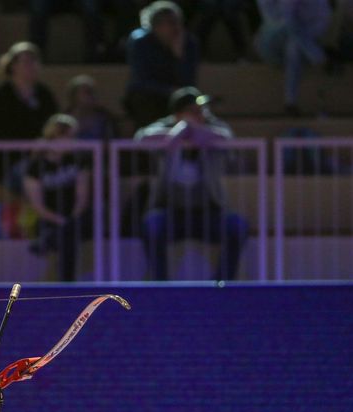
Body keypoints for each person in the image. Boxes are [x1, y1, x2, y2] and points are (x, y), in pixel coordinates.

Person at [135, 86, 249, 281]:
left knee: (237, 226)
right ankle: (161, 286)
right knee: (152, 225)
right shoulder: (168, 126)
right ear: (178, 113)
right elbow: (141, 138)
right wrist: (179, 130)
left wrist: (189, 130)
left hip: (208, 212)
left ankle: (222, 285)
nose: (201, 114)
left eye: (201, 110)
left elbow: (225, 137)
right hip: (171, 212)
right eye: (194, 110)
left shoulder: (211, 126)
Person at [24, 114, 91, 281]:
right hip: (48, 219)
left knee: (70, 231)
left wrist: (71, 218)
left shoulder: (78, 160)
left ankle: (46, 242)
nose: (74, 141)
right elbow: (37, 205)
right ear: (56, 136)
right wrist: (60, 221)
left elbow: (82, 197)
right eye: (70, 136)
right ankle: (68, 282)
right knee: (67, 234)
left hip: (76, 217)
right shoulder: (35, 166)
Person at [0, 42, 58, 190]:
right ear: (13, 65)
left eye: (34, 61)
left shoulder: (44, 94)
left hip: (42, 159)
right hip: (7, 161)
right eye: (26, 61)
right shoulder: (1, 95)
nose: (32, 65)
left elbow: (54, 125)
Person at [123, 1, 200, 130]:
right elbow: (141, 80)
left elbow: (189, 81)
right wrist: (169, 91)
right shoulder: (140, 42)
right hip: (151, 95)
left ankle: (190, 143)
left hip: (178, 96)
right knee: (142, 99)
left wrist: (178, 56)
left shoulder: (188, 43)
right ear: (155, 26)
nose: (176, 28)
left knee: (194, 101)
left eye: (177, 22)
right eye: (170, 23)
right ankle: (148, 144)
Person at [254, 0, 331, 117]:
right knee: (293, 38)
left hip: (300, 47)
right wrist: (315, 54)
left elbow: (321, 23)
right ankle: (291, 101)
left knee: (293, 47)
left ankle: (290, 103)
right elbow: (281, 23)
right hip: (272, 47)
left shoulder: (319, 4)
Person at [65, 75, 118, 141]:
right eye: (86, 92)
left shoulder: (105, 118)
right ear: (74, 95)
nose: (91, 95)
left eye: (92, 92)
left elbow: (112, 142)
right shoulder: (63, 118)